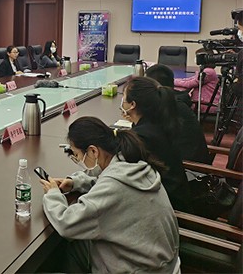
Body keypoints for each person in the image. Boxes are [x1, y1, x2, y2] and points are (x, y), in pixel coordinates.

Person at [40, 116, 180, 274]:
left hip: (138, 268)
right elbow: (110, 185)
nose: (78, 161)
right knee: (77, 245)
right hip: (161, 265)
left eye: (77, 155)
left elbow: (66, 223)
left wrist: (52, 194)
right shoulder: (135, 165)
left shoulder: (113, 186)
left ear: (93, 151)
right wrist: (76, 182)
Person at [121, 76, 191, 212]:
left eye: (123, 97)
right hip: (174, 196)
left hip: (167, 208)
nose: (122, 101)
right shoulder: (159, 123)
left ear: (132, 104)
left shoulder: (141, 136)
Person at [146, 64, 211, 163]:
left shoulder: (167, 106)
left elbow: (148, 136)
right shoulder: (176, 101)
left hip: (188, 167)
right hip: (186, 160)